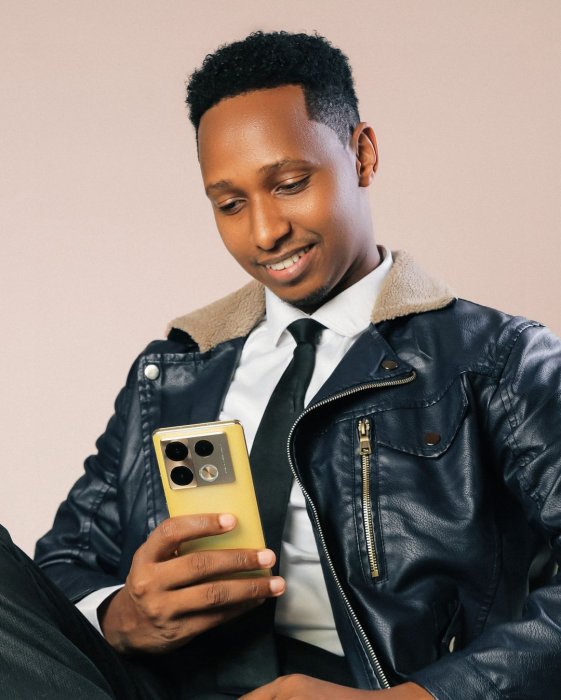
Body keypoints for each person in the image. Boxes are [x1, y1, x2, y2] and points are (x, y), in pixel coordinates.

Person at [0, 30, 560, 699]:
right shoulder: (174, 370)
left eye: (290, 184)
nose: (265, 232)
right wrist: (123, 618)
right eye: (230, 204)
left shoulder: (495, 360)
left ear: (362, 154)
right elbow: (64, 562)